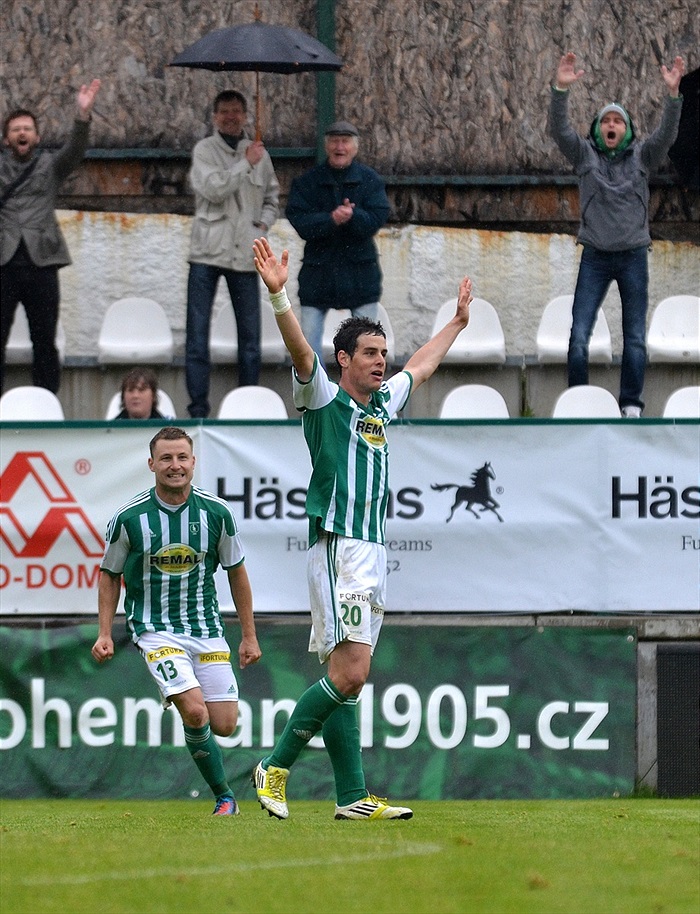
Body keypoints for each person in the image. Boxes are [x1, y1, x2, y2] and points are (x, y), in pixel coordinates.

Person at [250, 237, 472, 820]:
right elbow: (301, 353)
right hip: (339, 548)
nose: (381, 361)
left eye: (382, 352)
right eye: (369, 353)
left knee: (345, 678)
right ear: (344, 360)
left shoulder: (381, 408)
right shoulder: (323, 398)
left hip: (371, 552)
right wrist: (279, 296)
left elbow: (421, 365)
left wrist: (457, 323)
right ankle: (273, 769)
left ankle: (351, 797)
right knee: (351, 672)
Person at [91, 426, 262, 815]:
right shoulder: (129, 517)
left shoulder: (217, 514)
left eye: (182, 457)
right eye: (166, 458)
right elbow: (108, 574)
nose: (174, 466)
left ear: (193, 462)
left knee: (223, 723)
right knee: (196, 711)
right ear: (151, 464)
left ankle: (219, 783)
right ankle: (225, 798)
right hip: (154, 628)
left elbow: (237, 572)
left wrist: (248, 636)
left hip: (206, 629)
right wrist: (105, 632)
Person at [549, 51, 685, 418]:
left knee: (636, 339)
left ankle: (630, 405)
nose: (612, 126)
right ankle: (578, 402)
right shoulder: (583, 157)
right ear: (597, 129)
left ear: (626, 131)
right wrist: (560, 89)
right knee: (578, 338)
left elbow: (668, 133)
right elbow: (559, 131)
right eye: (606, 121)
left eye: (618, 122)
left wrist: (674, 95)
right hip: (594, 255)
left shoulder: (643, 156)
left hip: (633, 257)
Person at [0, 78, 101, 395]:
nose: (22, 133)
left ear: (37, 136)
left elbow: (76, 150)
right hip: (3, 264)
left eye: (27, 128)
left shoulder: (49, 165)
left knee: (44, 342)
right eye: (15, 129)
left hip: (42, 263)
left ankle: (47, 405)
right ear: (6, 139)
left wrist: (82, 115)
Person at [185, 90, 279, 418]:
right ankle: (198, 410)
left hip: (244, 252)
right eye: (224, 111)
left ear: (244, 116)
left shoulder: (258, 154)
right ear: (214, 117)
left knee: (250, 339)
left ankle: (247, 407)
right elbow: (213, 189)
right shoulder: (204, 151)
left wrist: (262, 227)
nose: (230, 117)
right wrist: (245, 164)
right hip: (206, 253)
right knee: (197, 338)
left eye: (236, 111)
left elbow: (271, 197)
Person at [285, 120, 390, 362]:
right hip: (317, 276)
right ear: (326, 146)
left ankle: (362, 397)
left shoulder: (370, 181)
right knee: (307, 349)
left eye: (345, 141)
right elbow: (299, 220)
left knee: (367, 347)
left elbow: (377, 218)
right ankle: (314, 397)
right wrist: (330, 219)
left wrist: (354, 216)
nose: (339, 147)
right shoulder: (307, 182)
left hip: (361, 276)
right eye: (334, 141)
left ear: (355, 147)